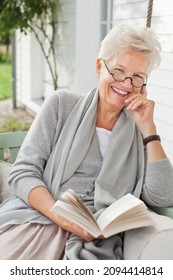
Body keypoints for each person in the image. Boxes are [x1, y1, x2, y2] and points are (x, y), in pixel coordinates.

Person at [0, 25, 173, 260]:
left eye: (137, 77)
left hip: (97, 239)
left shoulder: (139, 127)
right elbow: (22, 173)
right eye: (119, 70)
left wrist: (148, 129)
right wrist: (61, 217)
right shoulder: (61, 104)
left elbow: (162, 197)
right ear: (100, 66)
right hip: (42, 220)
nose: (126, 83)